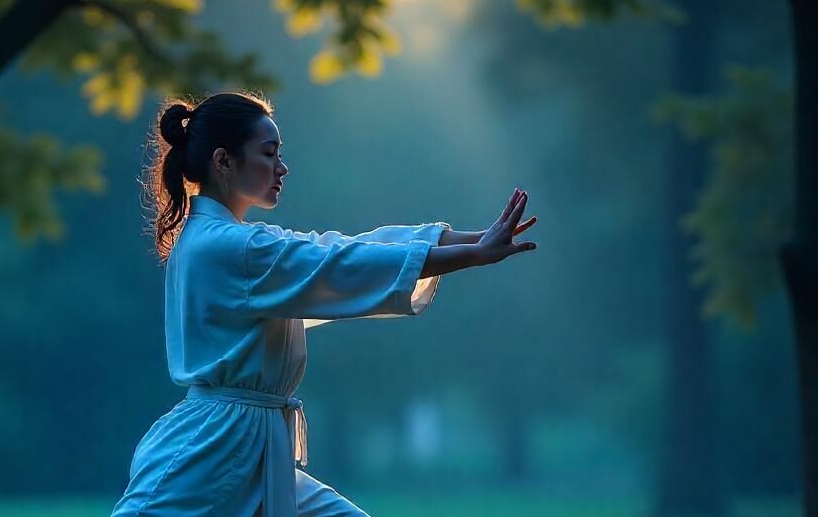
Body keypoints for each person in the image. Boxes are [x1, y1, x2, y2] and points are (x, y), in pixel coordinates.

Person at [109, 90, 538, 517]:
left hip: (250, 442)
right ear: (224, 161)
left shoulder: (224, 241)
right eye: (269, 153)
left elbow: (343, 250)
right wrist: (474, 253)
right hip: (214, 446)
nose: (282, 167)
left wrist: (478, 241)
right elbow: (336, 263)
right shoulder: (228, 246)